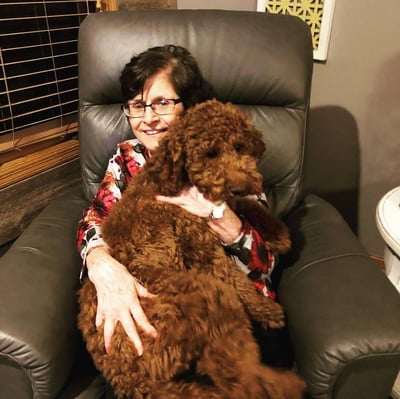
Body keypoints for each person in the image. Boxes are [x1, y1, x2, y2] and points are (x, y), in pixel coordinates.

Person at [76, 44, 279, 359]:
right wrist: (101, 263)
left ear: (190, 104)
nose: (148, 119)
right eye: (137, 105)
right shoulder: (129, 156)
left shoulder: (228, 154)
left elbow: (265, 264)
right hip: (161, 309)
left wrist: (217, 215)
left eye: (162, 103)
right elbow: (95, 219)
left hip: (227, 317)